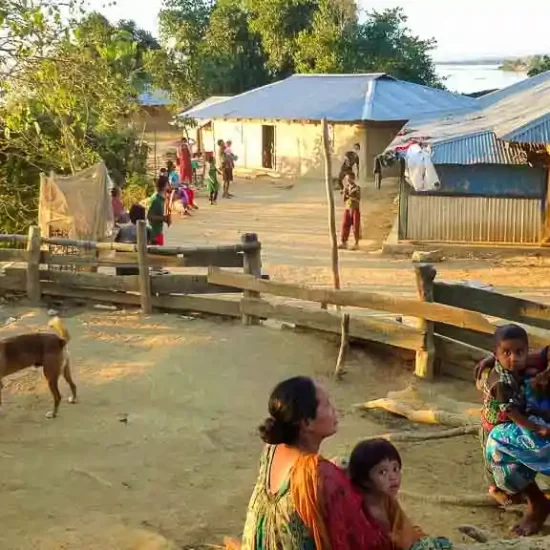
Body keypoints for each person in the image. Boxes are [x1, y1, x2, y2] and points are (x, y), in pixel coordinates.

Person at [240, 376, 391, 550]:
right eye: (326, 405)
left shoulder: (272, 448)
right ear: (306, 422)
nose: (334, 409)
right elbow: (358, 537)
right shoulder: (318, 473)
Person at [478, 324, 550, 536]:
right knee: (498, 445)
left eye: (519, 352)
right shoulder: (508, 377)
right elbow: (542, 356)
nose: (515, 358)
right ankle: (535, 501)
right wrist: (499, 358)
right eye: (507, 353)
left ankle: (535, 503)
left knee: (497, 443)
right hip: (518, 424)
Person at [348, 439, 452, 550]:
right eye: (383, 472)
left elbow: (403, 528)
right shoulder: (367, 509)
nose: (393, 477)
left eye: (395, 469)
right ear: (364, 480)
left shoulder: (386, 499)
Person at [114, 204, 150, 276]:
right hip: (138, 265)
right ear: (143, 217)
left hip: (121, 265)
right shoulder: (147, 230)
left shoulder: (122, 230)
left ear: (130, 216)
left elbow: (116, 245)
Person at [339, 172, 361, 250]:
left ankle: (356, 243)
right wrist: (344, 194)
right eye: (346, 179)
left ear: (353, 179)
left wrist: (349, 196)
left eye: (349, 179)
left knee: (356, 226)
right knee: (345, 224)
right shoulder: (346, 188)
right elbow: (344, 200)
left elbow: (358, 199)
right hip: (347, 208)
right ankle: (344, 242)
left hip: (355, 209)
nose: (347, 180)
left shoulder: (357, 188)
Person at [147, 175, 171, 246]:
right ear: (165, 186)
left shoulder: (161, 199)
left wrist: (166, 219)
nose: (169, 185)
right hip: (153, 233)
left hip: (157, 231)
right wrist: (163, 218)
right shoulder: (156, 199)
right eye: (168, 183)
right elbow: (149, 216)